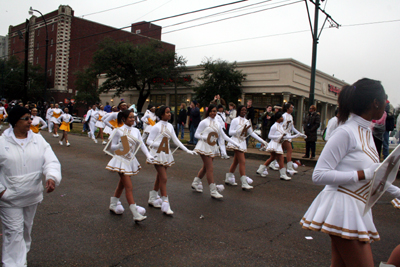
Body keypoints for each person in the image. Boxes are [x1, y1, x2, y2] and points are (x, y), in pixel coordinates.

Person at [300, 78, 400, 267]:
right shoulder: (345, 132)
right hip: (342, 206)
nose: (386, 109)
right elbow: (319, 175)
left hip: (357, 207)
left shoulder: (367, 131)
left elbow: (375, 175)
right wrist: (362, 174)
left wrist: (396, 192)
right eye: (384, 103)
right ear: (375, 103)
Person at [0, 106, 61, 266]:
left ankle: (20, 259)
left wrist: (51, 177)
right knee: (13, 233)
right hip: (9, 199)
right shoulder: (2, 142)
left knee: (26, 231)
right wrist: (1, 191)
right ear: (14, 122)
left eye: (30, 118)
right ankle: (14, 264)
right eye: (26, 118)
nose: (30, 121)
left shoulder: (38, 139)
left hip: (31, 196)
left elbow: (51, 160)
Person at [146, 106, 197, 215]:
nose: (169, 114)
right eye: (167, 112)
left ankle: (153, 197)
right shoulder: (156, 127)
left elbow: (176, 140)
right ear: (161, 114)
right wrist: (159, 144)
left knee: (160, 177)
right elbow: (148, 141)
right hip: (157, 154)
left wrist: (187, 150)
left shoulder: (170, 126)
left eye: (170, 112)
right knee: (164, 178)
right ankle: (165, 203)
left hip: (166, 154)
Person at [106, 110, 154, 222]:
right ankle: (135, 213)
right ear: (123, 118)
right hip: (120, 159)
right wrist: (119, 145)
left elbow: (141, 144)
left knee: (122, 184)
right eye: (130, 117)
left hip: (130, 159)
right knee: (129, 187)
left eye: (134, 117)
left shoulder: (136, 130)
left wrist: (148, 155)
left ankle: (113, 204)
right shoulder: (118, 131)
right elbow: (111, 147)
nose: (133, 119)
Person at [191, 104, 240, 199]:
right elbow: (196, 134)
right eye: (211, 111)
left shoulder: (217, 122)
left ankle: (195, 183)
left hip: (212, 147)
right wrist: (207, 137)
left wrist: (235, 143)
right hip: (204, 146)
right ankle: (213, 191)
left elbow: (224, 136)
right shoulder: (204, 122)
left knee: (206, 168)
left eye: (215, 111)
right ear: (208, 112)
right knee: (210, 168)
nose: (213, 113)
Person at [226, 105, 268, 189]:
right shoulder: (235, 120)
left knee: (236, 161)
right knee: (242, 161)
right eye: (242, 110)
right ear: (239, 111)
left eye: (245, 110)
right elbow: (230, 132)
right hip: (236, 141)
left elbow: (251, 133)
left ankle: (228, 178)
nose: (244, 112)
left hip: (242, 142)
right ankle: (244, 182)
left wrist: (262, 141)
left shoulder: (247, 121)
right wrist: (239, 131)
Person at [256, 112, 300, 181]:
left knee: (272, 158)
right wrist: (279, 136)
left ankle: (261, 169)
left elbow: (285, 136)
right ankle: (283, 174)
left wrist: (296, 135)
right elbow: (269, 136)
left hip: (278, 144)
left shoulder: (280, 126)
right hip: (274, 144)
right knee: (281, 158)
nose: (283, 118)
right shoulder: (274, 126)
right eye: (281, 117)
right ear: (278, 119)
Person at [282, 102, 306, 174]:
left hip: (288, 136)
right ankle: (289, 167)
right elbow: (281, 126)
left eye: (292, 107)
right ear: (287, 108)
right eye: (291, 107)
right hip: (284, 136)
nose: (292, 109)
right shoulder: (283, 116)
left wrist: (300, 134)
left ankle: (272, 163)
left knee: (280, 151)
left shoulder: (291, 116)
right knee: (289, 150)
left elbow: (292, 128)